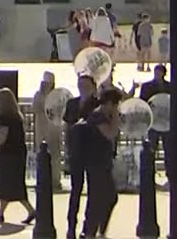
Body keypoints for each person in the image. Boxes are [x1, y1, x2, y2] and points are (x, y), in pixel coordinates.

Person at [78, 87, 123, 238]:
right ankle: (90, 230)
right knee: (97, 198)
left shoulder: (103, 116)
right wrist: (116, 116)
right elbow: (110, 134)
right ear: (110, 103)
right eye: (115, 105)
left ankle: (99, 229)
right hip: (95, 163)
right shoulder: (98, 116)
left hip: (103, 162)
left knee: (109, 196)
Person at [0, 88, 36, 224]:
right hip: (19, 152)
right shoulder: (17, 116)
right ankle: (0, 213)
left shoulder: (4, 117)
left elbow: (3, 136)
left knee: (10, 184)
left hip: (8, 154)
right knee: (14, 184)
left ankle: (31, 210)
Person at [63, 74, 99, 233]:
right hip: (76, 151)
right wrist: (67, 149)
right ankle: (71, 226)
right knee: (75, 190)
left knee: (93, 191)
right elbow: (67, 127)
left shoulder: (97, 104)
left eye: (85, 85)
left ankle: (88, 226)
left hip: (92, 152)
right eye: (80, 85)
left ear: (93, 87)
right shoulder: (72, 103)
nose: (82, 88)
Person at [137, 64, 171, 181]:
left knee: (168, 150)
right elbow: (142, 101)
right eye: (156, 72)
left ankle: (169, 174)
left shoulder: (170, 86)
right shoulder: (147, 86)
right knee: (151, 149)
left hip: (166, 123)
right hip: (153, 122)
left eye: (159, 72)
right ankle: (150, 173)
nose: (157, 75)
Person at [31, 71, 63, 191]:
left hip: (54, 128)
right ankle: (41, 179)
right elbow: (34, 108)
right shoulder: (38, 95)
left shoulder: (57, 95)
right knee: (41, 154)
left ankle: (55, 180)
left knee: (55, 155)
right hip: (41, 127)